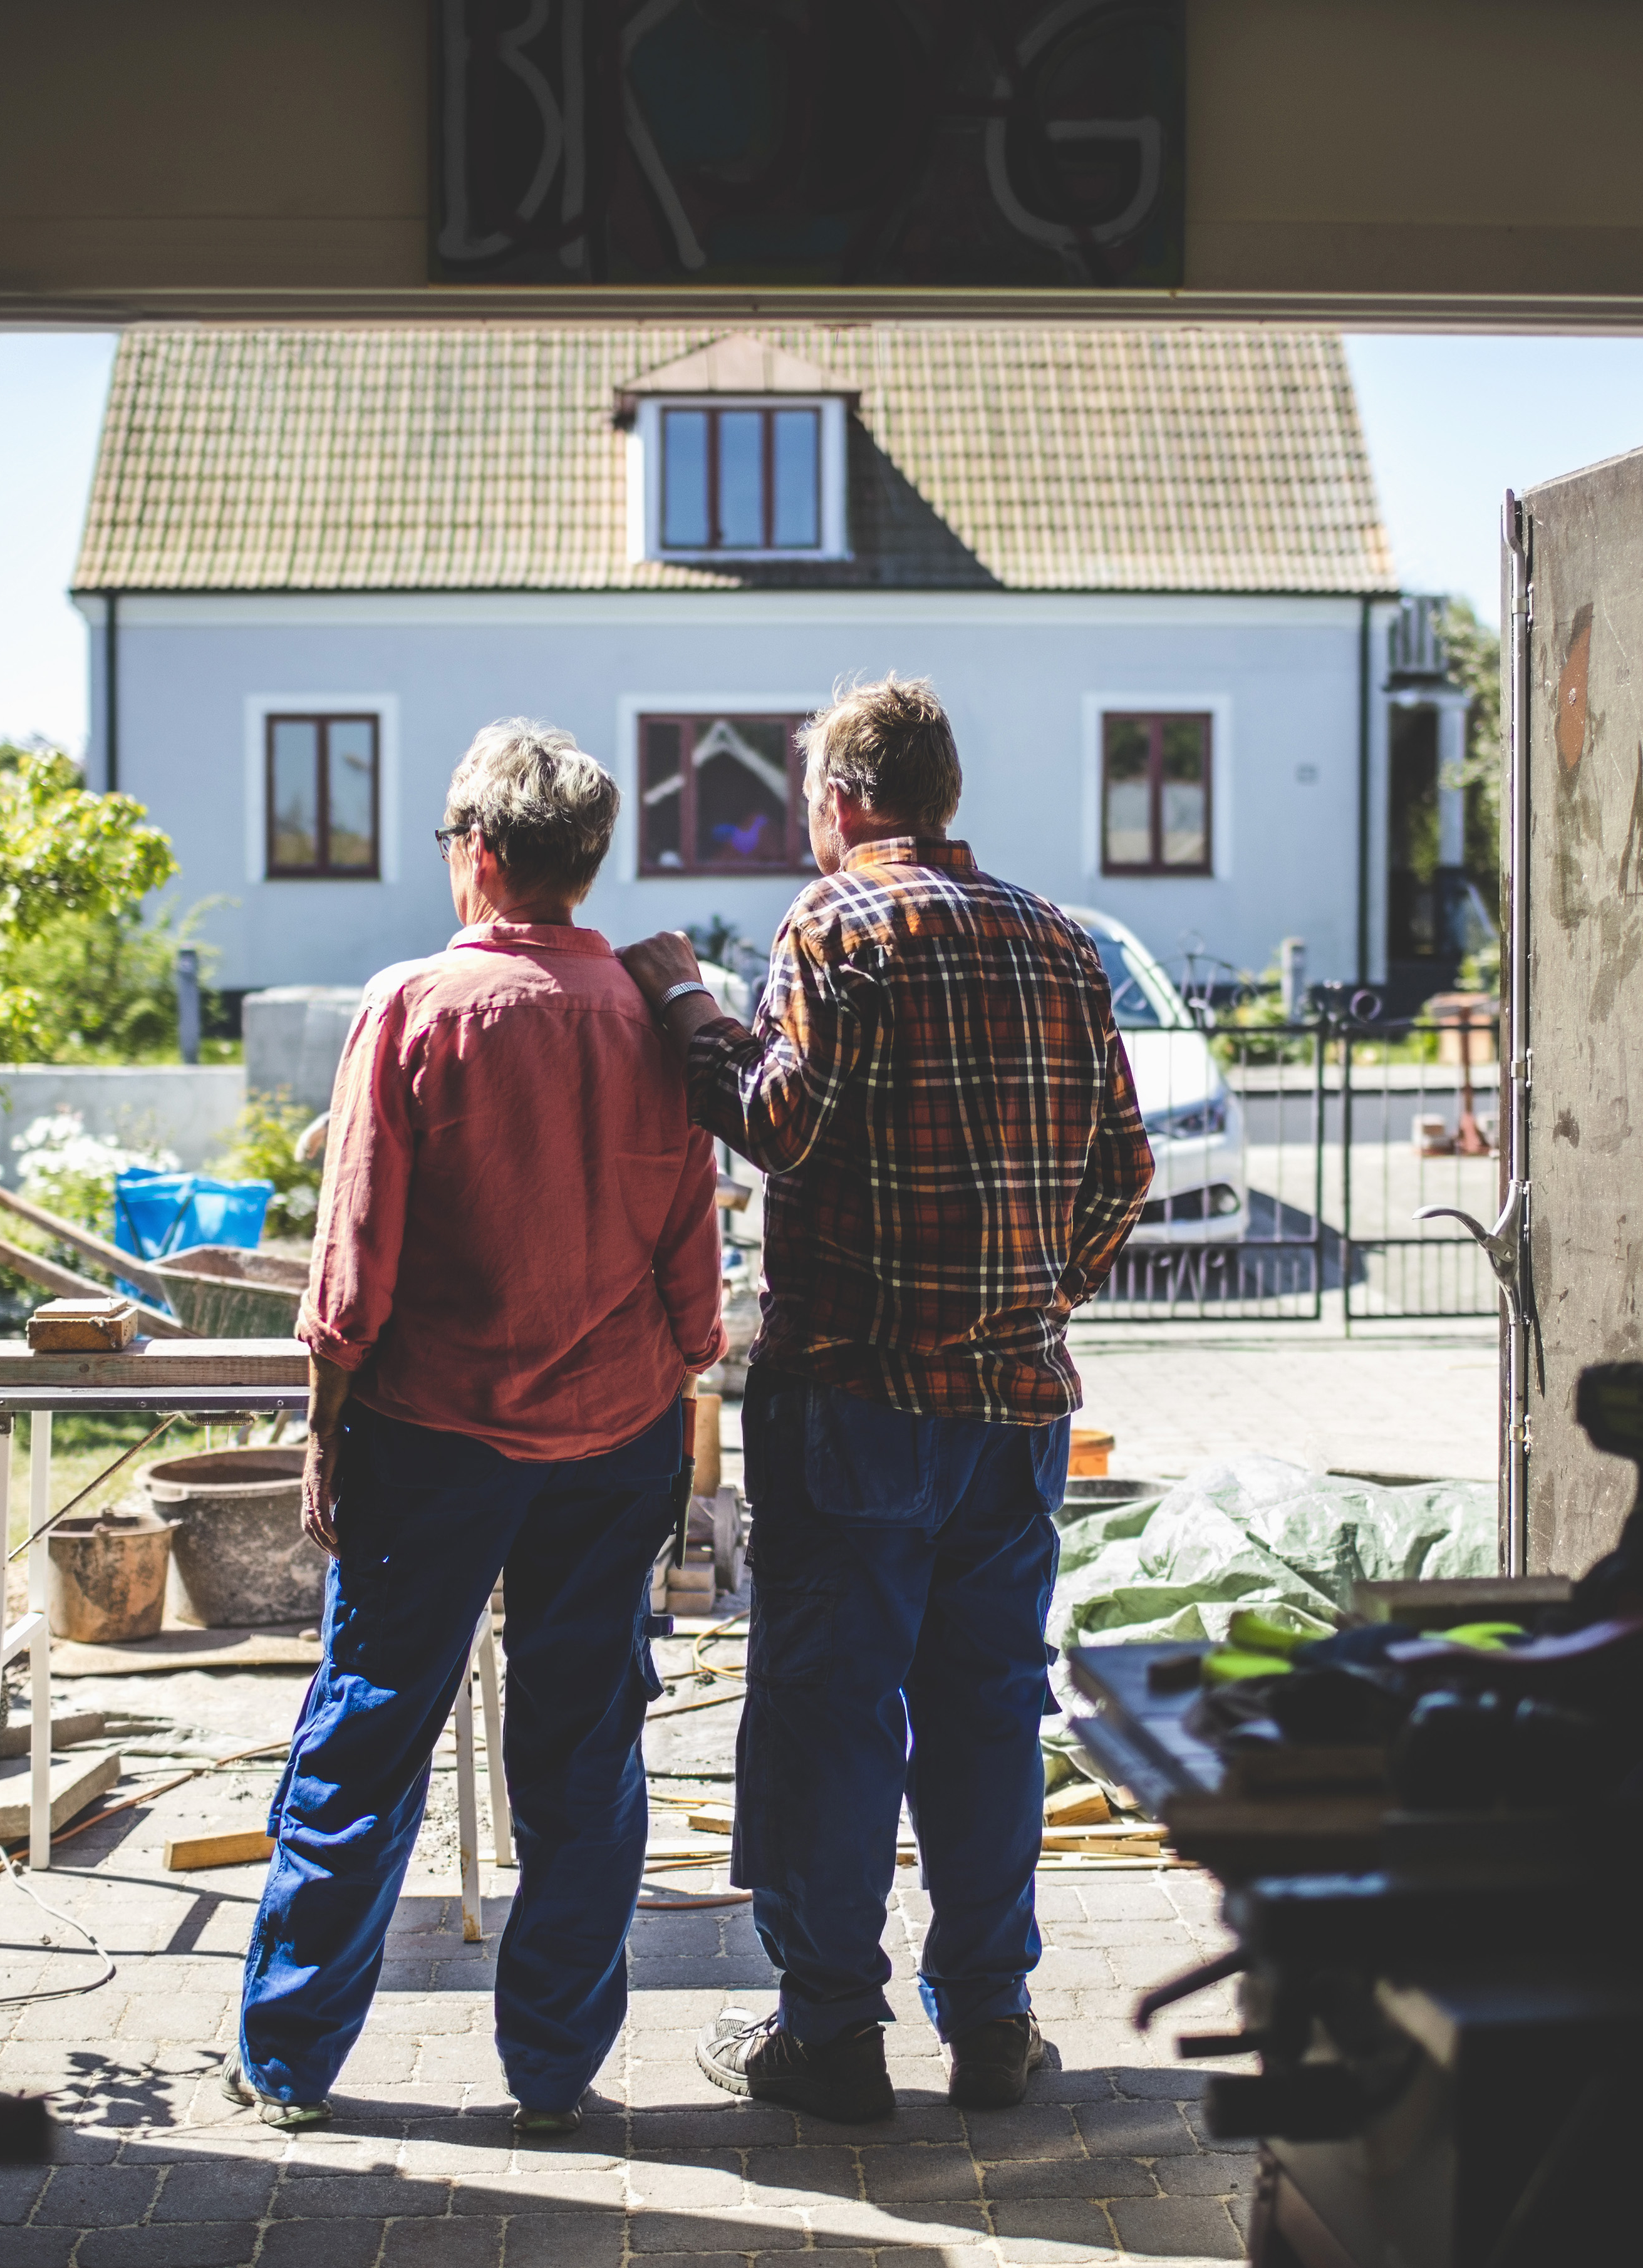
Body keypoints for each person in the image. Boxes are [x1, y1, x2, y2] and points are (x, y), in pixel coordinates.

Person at [614, 675, 1154, 2121]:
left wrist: (687, 1013)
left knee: (832, 1716)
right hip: (1014, 1411)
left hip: (856, 1396)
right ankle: (991, 2027)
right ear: (946, 791)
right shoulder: (1061, 939)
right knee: (986, 1717)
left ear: (843, 798)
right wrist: (1036, 1290)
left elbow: (777, 1124)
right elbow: (1126, 1171)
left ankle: (832, 2037)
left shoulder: (834, 922)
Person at [227, 720, 725, 2133]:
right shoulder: (654, 1019)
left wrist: (325, 1422)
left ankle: (288, 2057)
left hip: (433, 1438)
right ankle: (557, 2070)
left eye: (453, 843)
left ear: (485, 854)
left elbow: (353, 1256)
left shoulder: (416, 1006)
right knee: (584, 1755)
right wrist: (680, 1419)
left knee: (369, 1733)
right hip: (614, 1434)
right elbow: (696, 1270)